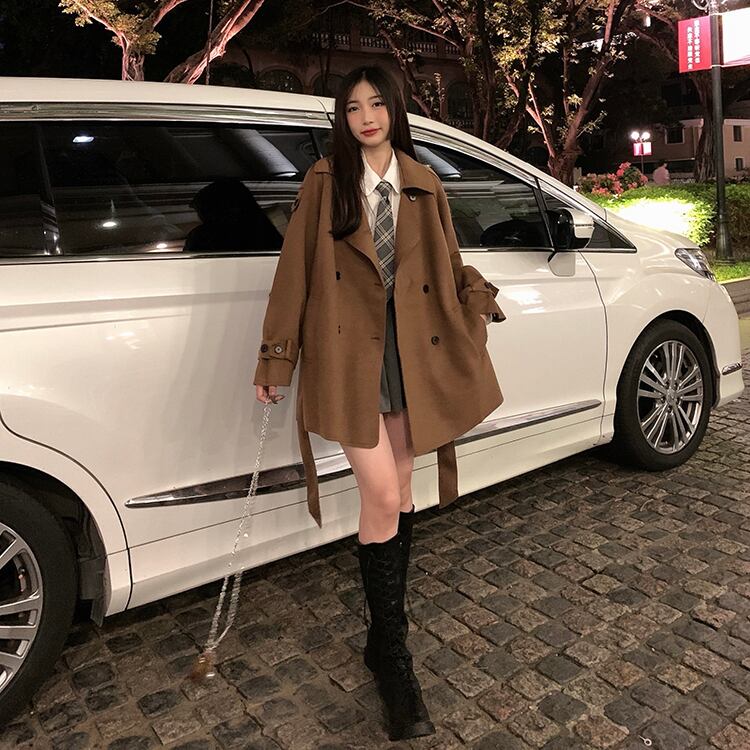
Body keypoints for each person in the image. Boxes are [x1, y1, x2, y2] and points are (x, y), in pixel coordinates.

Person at [253, 65, 505, 741]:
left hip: (413, 354)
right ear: (342, 117)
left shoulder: (423, 183)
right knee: (385, 495)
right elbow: (293, 274)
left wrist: (476, 304)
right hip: (349, 356)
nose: (365, 117)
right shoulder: (325, 182)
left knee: (402, 493)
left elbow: (448, 267)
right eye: (352, 107)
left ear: (395, 110)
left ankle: (381, 640)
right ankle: (393, 656)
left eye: (376, 104)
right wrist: (276, 357)